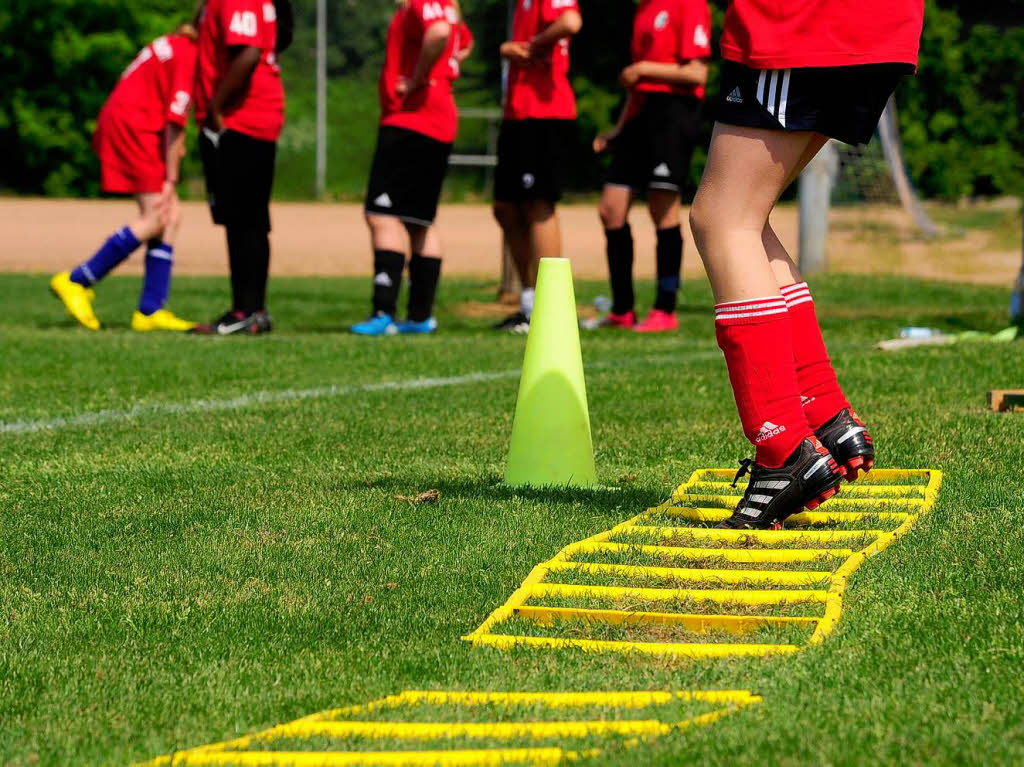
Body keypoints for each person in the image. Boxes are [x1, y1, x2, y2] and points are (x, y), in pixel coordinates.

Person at [687, 0, 924, 529]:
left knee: (722, 219)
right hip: (864, 28)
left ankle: (785, 451)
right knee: (748, 218)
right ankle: (820, 412)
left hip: (803, 26)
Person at [50, 24, 198, 332]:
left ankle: (150, 310)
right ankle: (77, 280)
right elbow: (175, 122)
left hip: (127, 120)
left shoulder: (175, 43)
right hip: (135, 126)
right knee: (158, 215)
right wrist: (171, 179)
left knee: (171, 217)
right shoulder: (189, 54)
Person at [353, 0, 473, 336]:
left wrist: (417, 77)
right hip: (439, 118)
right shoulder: (448, 6)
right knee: (420, 221)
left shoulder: (425, 4)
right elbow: (462, 41)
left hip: (413, 118)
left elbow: (439, 33)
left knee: (382, 214)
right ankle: (420, 317)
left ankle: (383, 313)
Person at [592, 0, 711, 333]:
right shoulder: (644, 9)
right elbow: (636, 84)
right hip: (641, 115)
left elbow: (696, 72)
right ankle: (622, 309)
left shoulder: (689, 5)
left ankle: (664, 308)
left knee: (662, 209)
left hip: (674, 113)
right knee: (610, 209)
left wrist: (643, 69)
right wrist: (618, 128)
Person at [190, 0, 288, 335]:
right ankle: (250, 310)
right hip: (247, 118)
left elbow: (248, 51)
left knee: (244, 218)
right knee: (245, 217)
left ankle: (247, 310)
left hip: (242, 118)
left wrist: (216, 108)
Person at [492, 0, 583, 334]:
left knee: (539, 206)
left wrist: (532, 45)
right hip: (518, 113)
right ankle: (528, 303)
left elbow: (571, 21)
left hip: (544, 112)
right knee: (505, 207)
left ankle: (550, 307)